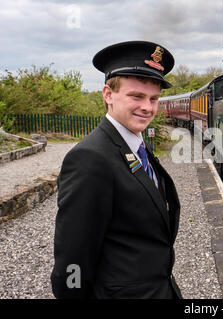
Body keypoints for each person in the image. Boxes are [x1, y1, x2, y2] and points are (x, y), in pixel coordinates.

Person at [51, 41, 182, 299]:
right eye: (137, 96)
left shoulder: (134, 146)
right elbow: (73, 259)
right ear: (108, 95)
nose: (148, 107)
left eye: (154, 99)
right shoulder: (90, 158)